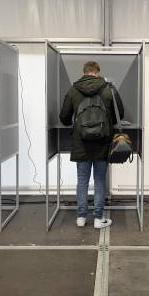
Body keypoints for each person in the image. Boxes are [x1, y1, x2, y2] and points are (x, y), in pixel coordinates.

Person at [59, 61, 124, 229]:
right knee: (100, 180)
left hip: (81, 143)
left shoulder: (73, 90)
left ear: (85, 72)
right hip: (103, 142)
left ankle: (81, 217)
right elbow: (119, 114)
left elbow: (64, 118)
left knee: (82, 180)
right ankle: (98, 218)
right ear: (97, 72)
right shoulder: (109, 89)